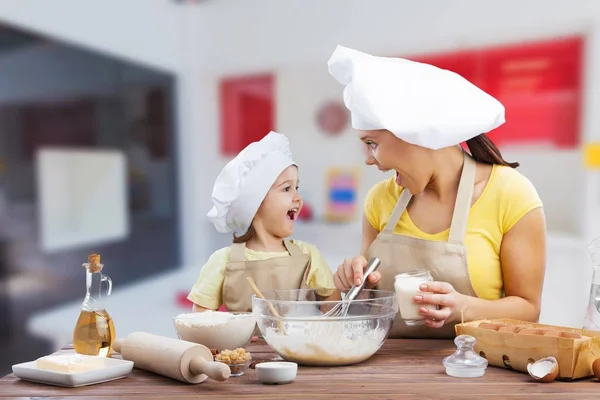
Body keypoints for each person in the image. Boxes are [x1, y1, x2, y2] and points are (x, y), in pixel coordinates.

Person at [327, 45, 546, 338]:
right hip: (381, 372)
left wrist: (463, 308)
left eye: (372, 143)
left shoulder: (511, 195)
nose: (368, 159)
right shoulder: (380, 200)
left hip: (472, 370)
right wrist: (356, 285)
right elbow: (371, 304)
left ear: (415, 134)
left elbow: (528, 308)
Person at [187, 131, 335, 312]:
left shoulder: (309, 256)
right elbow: (200, 322)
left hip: (300, 341)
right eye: (287, 188)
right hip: (241, 342)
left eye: (297, 187)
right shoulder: (224, 261)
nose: (298, 196)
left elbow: (334, 313)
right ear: (255, 205)